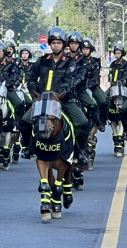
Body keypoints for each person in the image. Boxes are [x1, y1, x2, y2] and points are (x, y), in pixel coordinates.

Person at [21, 27, 89, 164]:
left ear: (63, 44)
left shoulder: (70, 62)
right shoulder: (41, 60)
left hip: (63, 100)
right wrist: (36, 94)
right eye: (53, 43)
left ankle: (79, 151)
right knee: (24, 121)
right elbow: (31, 79)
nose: (56, 45)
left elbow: (70, 82)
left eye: (58, 43)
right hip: (42, 100)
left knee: (83, 122)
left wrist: (59, 95)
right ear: (50, 44)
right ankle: (28, 147)